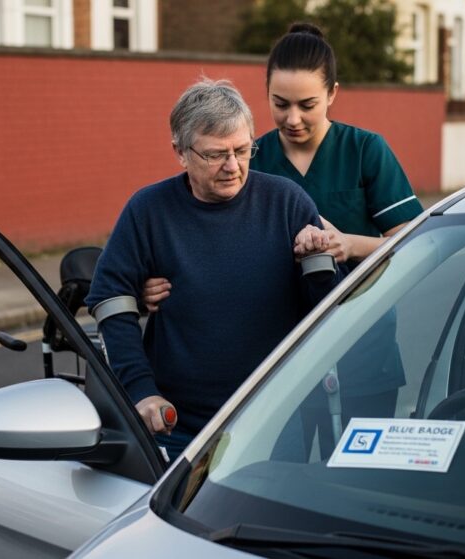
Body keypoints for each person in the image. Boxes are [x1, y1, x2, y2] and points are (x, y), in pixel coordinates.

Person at [141, 24, 422, 458]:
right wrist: (155, 286)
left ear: (332, 94)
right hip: (276, 364)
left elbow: (416, 242)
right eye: (280, 104)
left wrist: (349, 245)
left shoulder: (366, 151)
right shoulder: (251, 155)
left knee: (355, 482)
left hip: (361, 347)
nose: (293, 118)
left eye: (307, 104)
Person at [85, 78, 341, 462]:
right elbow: (109, 297)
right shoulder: (148, 210)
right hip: (178, 426)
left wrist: (315, 262)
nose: (232, 166)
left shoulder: (287, 202)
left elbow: (328, 313)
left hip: (275, 419)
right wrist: (141, 391)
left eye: (242, 149)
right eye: (215, 155)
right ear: (180, 152)